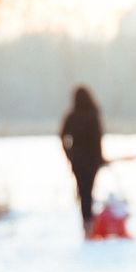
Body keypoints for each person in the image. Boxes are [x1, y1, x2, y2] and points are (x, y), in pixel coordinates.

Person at [60, 85, 105, 235]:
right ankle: (89, 224)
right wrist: (100, 158)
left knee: (83, 190)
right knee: (88, 191)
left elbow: (63, 136)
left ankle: (86, 224)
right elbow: (98, 139)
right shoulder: (93, 115)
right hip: (91, 160)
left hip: (77, 160)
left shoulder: (71, 117)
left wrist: (69, 154)